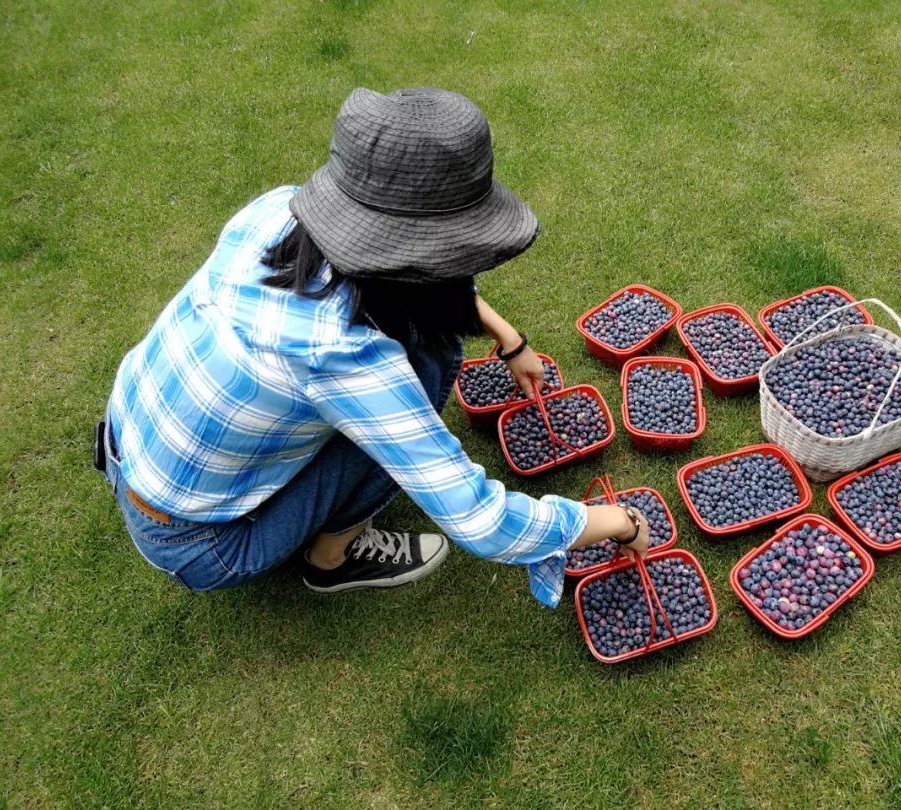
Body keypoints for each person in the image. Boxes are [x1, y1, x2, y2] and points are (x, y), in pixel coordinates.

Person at [99, 87, 649, 608]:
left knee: (418, 357)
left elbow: (417, 279)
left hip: (126, 440)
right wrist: (618, 522)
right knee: (419, 382)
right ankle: (332, 561)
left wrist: (510, 340)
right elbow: (481, 522)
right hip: (202, 546)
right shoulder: (343, 356)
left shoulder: (278, 211)